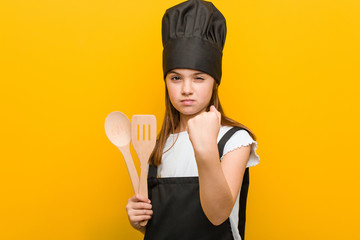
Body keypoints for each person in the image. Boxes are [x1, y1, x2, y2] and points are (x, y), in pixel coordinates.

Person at [126, 0, 260, 239]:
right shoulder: (156, 145)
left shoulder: (234, 139)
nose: (186, 89)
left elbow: (218, 215)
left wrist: (206, 146)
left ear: (214, 82)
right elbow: (165, 225)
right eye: (176, 78)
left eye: (199, 78)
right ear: (166, 82)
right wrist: (139, 219)